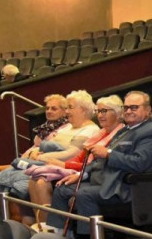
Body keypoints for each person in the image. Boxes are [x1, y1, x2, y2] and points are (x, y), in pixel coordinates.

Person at [46, 92, 152, 236]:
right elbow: (99, 160)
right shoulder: (125, 130)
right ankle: (61, 236)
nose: (128, 111)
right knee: (62, 188)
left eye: (134, 107)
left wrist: (108, 154)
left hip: (124, 186)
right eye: (126, 107)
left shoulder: (150, 132)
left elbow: (139, 163)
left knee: (83, 194)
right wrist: (82, 174)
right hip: (104, 179)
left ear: (147, 110)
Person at [25, 95, 125, 228]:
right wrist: (64, 165)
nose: (100, 115)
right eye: (98, 111)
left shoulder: (120, 135)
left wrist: (64, 165)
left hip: (94, 175)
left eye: (104, 111)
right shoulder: (100, 134)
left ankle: (59, 229)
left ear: (118, 114)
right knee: (34, 179)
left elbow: (94, 165)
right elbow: (80, 158)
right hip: (81, 170)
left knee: (42, 182)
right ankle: (46, 226)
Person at [0, 91, 100, 201]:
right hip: (42, 162)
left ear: (83, 110)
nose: (67, 111)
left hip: (56, 166)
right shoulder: (68, 126)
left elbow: (71, 155)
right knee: (8, 175)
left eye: (70, 107)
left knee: (18, 177)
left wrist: (40, 157)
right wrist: (34, 152)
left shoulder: (90, 130)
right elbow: (46, 144)